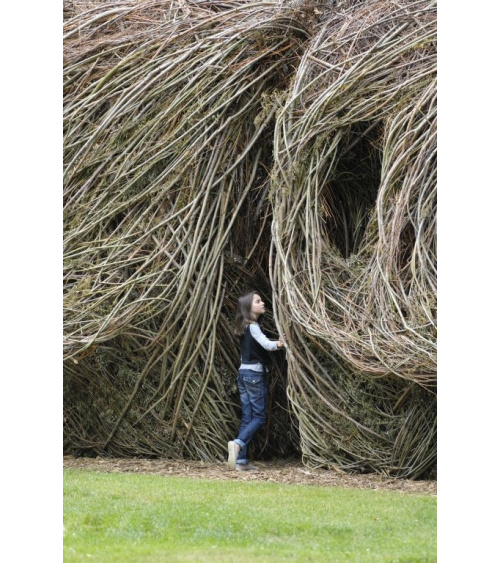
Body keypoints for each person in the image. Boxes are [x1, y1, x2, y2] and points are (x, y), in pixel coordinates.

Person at [227, 291, 285, 471]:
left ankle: (241, 461)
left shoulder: (243, 326)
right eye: (258, 301)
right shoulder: (253, 326)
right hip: (254, 376)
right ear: (249, 307)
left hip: (243, 374)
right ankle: (237, 444)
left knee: (247, 418)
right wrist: (281, 343)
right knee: (259, 417)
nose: (262, 303)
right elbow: (267, 344)